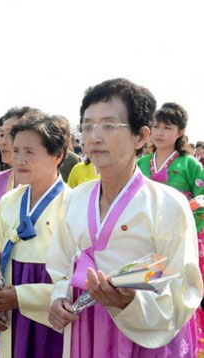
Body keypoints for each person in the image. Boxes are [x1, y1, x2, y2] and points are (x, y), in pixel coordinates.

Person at [47, 78, 202, 358]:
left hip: (144, 339)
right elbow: (61, 262)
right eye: (87, 125)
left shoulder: (167, 205)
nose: (94, 136)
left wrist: (129, 303)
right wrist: (59, 296)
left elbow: (184, 289)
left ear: (140, 136)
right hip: (85, 328)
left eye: (108, 126)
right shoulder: (76, 199)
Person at [0, 114, 70, 358]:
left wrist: (23, 296)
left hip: (49, 318)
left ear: (57, 155)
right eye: (17, 150)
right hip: (9, 314)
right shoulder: (8, 201)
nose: (19, 160)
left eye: (30, 152)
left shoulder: (73, 203)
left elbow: (76, 278)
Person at [137, 102, 204, 357]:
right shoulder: (141, 163)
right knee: (146, 288)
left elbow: (203, 199)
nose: (160, 132)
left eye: (168, 127)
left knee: (179, 289)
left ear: (180, 132)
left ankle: (182, 343)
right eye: (156, 126)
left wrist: (188, 217)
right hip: (146, 238)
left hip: (182, 238)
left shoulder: (190, 165)